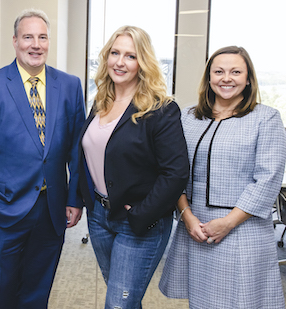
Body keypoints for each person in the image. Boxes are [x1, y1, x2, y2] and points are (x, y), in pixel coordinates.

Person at [0, 8, 86, 309]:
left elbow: (75, 150)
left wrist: (73, 198)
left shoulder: (68, 86)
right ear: (15, 41)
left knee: (36, 295)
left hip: (51, 212)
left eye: (42, 37)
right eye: (28, 37)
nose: (35, 44)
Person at [159, 46, 286, 308]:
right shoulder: (187, 117)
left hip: (241, 228)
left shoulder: (266, 119)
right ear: (208, 78)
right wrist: (187, 217)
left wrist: (228, 223)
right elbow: (174, 172)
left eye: (235, 72)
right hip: (194, 226)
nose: (226, 78)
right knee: (202, 301)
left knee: (242, 301)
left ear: (248, 78)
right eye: (218, 71)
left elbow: (268, 179)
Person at [78, 25, 189, 309]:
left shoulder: (160, 109)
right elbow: (89, 156)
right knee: (125, 300)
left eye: (130, 55)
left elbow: (176, 172)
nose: (119, 62)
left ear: (143, 63)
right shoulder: (101, 103)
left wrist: (140, 215)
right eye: (114, 53)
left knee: (118, 303)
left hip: (139, 222)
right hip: (100, 217)